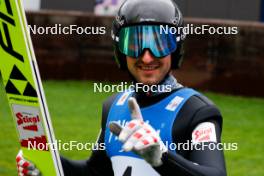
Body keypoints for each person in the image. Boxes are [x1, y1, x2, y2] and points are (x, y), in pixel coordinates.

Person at [16, 0, 227, 175]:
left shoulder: (197, 112)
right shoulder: (113, 107)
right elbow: (96, 172)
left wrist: (161, 156)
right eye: (134, 44)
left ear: (177, 48)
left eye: (160, 43)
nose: (146, 56)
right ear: (120, 50)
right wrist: (47, 163)